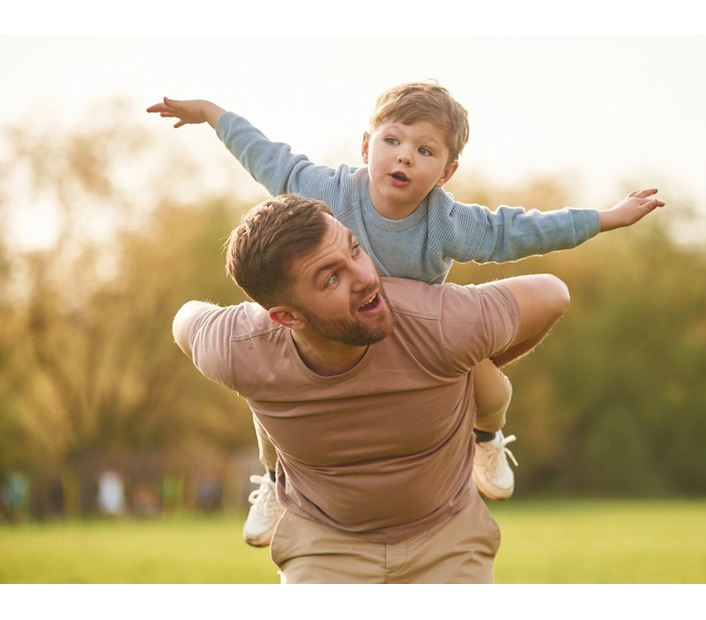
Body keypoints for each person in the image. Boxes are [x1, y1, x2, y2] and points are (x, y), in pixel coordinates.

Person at [148, 81, 665, 547]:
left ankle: (484, 440)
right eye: (392, 141)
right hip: (330, 333)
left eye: (425, 151)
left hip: (413, 340)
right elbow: (267, 157)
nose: (404, 158)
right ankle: (277, 482)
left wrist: (604, 219)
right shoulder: (325, 191)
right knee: (269, 409)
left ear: (446, 172)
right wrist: (212, 113)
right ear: (367, 145)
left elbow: (520, 231)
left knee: (494, 392)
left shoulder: (449, 223)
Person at [172, 194, 579, 582]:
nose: (367, 278)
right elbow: (185, 321)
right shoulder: (238, 348)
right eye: (332, 278)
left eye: (354, 250)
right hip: (323, 547)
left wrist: (464, 370)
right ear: (286, 317)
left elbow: (553, 294)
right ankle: (273, 479)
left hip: (448, 535)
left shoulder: (436, 323)